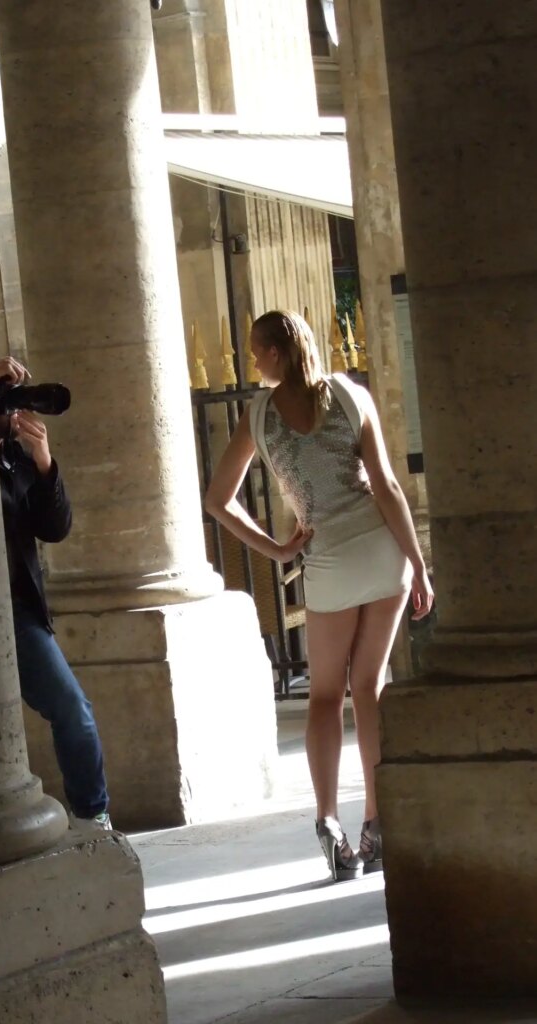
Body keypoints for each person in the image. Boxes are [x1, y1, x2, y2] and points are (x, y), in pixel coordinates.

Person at [205, 311, 433, 881]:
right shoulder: (351, 396)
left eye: (256, 352)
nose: (254, 362)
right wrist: (421, 566)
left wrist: (279, 550)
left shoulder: (257, 415)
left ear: (276, 354)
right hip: (382, 554)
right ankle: (377, 824)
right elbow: (384, 486)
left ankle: (329, 822)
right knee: (369, 688)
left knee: (325, 696)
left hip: (328, 561)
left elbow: (218, 499)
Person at [0, 355, 111, 831]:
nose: (12, 410)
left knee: (73, 711)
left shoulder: (14, 459)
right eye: (1, 399)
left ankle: (93, 816)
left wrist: (43, 463)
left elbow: (55, 528)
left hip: (18, 611)